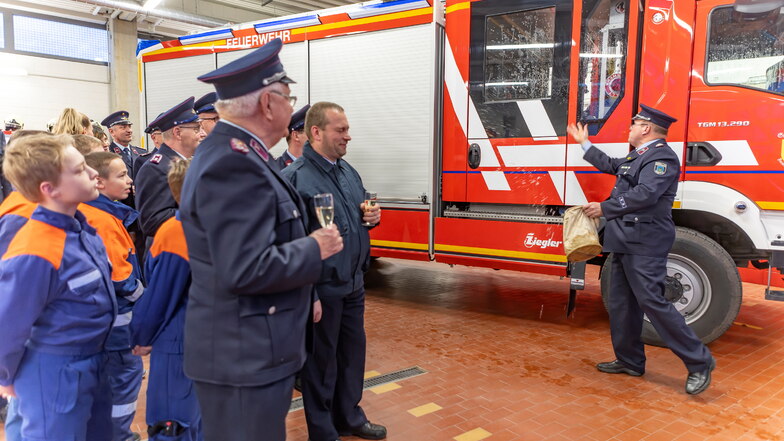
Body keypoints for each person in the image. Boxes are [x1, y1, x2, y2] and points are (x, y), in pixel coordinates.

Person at [179, 38, 343, 441]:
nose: (292, 108)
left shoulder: (246, 155)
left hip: (253, 351)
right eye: (288, 97)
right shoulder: (232, 163)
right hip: (243, 357)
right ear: (268, 104)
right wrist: (314, 247)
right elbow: (245, 268)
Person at [566, 104, 716, 395]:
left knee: (653, 304)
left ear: (646, 128)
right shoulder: (640, 156)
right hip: (625, 240)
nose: (630, 128)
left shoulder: (662, 157)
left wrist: (605, 208)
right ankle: (630, 361)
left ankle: (700, 362)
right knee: (622, 304)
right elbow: (613, 165)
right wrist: (585, 144)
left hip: (645, 242)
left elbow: (646, 194)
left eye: (634, 124)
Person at [0, 133, 115, 441]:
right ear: (49, 190)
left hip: (94, 361)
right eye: (79, 170)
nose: (93, 174)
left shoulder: (82, 230)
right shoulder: (35, 250)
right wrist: (6, 377)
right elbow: (8, 323)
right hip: (56, 371)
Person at [282, 102, 385, 441]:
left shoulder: (346, 171)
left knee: (352, 356)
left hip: (353, 283)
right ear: (316, 133)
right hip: (322, 289)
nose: (348, 137)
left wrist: (373, 215)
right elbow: (292, 242)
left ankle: (350, 417)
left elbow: (361, 209)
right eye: (340, 130)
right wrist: (308, 293)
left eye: (346, 129)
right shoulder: (295, 179)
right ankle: (323, 430)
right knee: (321, 363)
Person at [131, 158, 203, 441]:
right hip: (209, 338)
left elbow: (161, 295)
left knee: (173, 421)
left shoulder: (176, 232)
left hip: (179, 340)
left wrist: (140, 334)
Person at [82, 151, 146, 441]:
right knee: (122, 383)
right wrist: (147, 302)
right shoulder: (104, 220)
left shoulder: (101, 212)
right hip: (119, 322)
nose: (130, 180)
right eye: (121, 175)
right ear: (99, 182)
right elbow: (122, 278)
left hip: (104, 320)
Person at [135, 98, 199, 241]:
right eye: (196, 128)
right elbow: (151, 221)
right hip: (170, 251)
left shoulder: (187, 161)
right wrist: (201, 209)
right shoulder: (156, 168)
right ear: (177, 133)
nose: (201, 134)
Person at [101, 111, 146, 180]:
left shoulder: (141, 153)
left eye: (129, 126)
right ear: (111, 131)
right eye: (123, 127)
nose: (129, 130)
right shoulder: (107, 154)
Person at [275, 104, 309, 170]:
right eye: (310, 133)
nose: (316, 136)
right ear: (296, 136)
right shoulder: (277, 169)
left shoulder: (317, 166)